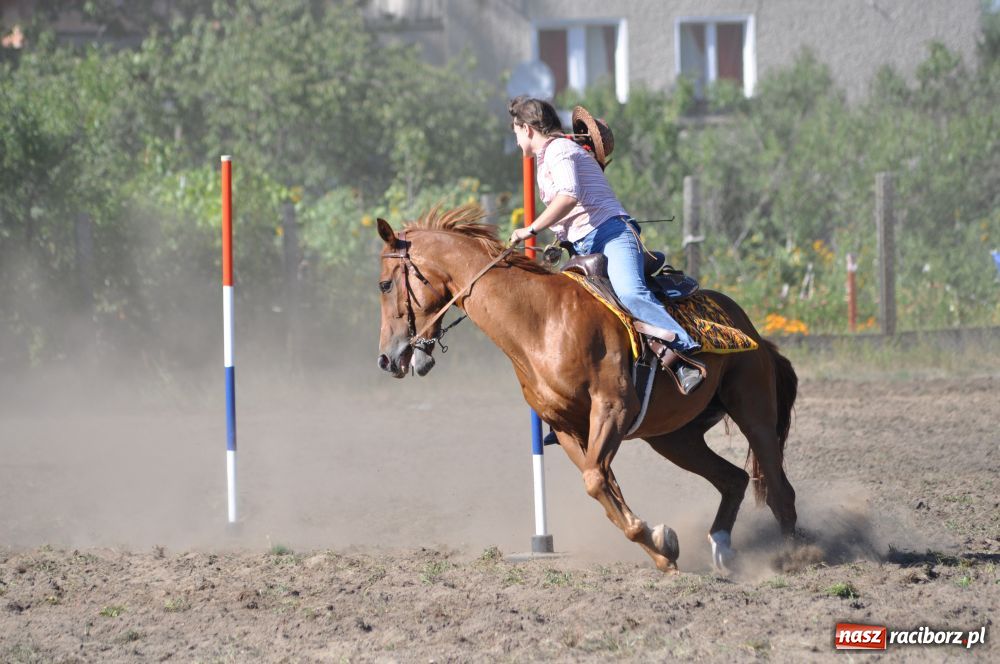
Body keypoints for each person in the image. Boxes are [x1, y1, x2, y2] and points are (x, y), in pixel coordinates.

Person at [506, 96, 704, 394]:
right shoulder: (548, 156)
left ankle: (684, 353)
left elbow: (569, 196)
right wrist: (560, 239)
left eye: (515, 131)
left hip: (611, 235)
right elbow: (572, 209)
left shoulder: (559, 149)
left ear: (527, 128)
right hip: (585, 245)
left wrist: (530, 229)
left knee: (630, 293)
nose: (516, 138)